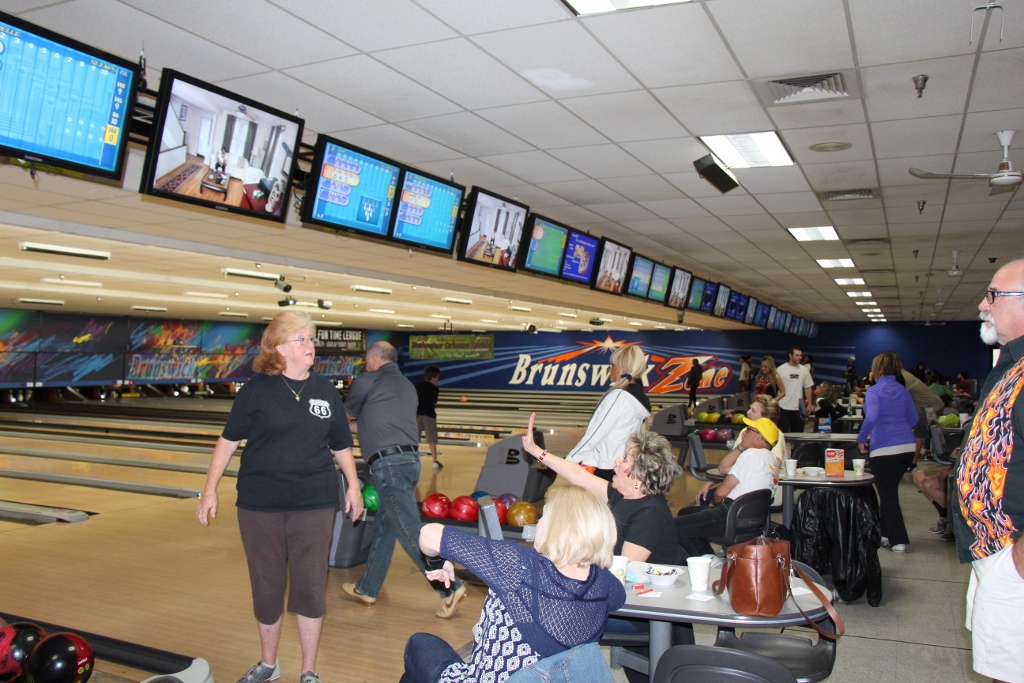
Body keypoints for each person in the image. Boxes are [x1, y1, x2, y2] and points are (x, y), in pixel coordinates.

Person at [196, 310, 363, 683]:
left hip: (315, 503)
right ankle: (269, 664)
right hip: (260, 504)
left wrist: (353, 484)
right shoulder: (256, 390)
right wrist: (209, 490)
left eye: (311, 338)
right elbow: (227, 441)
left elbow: (341, 444)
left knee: (309, 585)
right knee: (266, 585)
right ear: (278, 348)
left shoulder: (326, 391)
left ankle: (309, 670)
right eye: (301, 339)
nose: (310, 346)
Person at [399, 485, 625, 683]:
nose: (538, 522)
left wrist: (435, 563)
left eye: (544, 516)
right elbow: (619, 598)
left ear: (559, 527)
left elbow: (429, 534)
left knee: (420, 644)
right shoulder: (602, 581)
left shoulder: (521, 566)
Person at [340, 342, 467, 618]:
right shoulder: (407, 387)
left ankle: (449, 587)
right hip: (411, 462)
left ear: (373, 359)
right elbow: (372, 423)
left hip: (388, 465)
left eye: (366, 360)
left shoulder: (367, 381)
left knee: (410, 531)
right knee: (387, 529)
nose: (365, 364)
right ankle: (368, 588)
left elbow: (343, 417)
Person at [954, 257, 1024, 683]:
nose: (983, 303)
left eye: (994, 295)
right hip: (995, 550)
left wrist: (1017, 557)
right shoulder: (1012, 365)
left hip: (1013, 554)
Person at [525, 413, 682, 564]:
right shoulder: (624, 496)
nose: (617, 460)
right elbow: (577, 474)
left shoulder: (651, 514)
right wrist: (534, 450)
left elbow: (625, 566)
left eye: (626, 459)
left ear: (639, 476)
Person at [675, 417, 779, 558]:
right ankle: (708, 557)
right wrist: (741, 446)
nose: (744, 433)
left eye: (749, 430)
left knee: (672, 527)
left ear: (759, 437)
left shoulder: (752, 454)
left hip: (728, 517)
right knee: (686, 513)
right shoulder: (771, 459)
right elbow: (723, 468)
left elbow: (721, 493)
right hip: (750, 522)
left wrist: (714, 504)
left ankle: (705, 562)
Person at [858, 351, 918, 553]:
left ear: (879, 369)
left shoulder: (874, 392)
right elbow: (914, 420)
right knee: (888, 492)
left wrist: (861, 438)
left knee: (888, 494)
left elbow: (871, 417)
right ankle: (884, 534)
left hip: (884, 449)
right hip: (907, 448)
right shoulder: (904, 391)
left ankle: (898, 539)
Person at [566, 345, 651, 482]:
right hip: (623, 465)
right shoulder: (639, 397)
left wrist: (570, 461)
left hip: (604, 467)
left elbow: (595, 434)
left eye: (612, 365)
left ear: (623, 368)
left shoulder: (619, 397)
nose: (610, 369)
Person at [693, 395, 788, 507]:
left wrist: (736, 468)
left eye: (753, 410)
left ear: (767, 417)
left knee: (706, 503)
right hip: (744, 490)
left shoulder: (772, 436)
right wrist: (709, 483)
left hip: (758, 497)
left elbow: (774, 462)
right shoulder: (747, 432)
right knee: (704, 497)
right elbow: (727, 466)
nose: (748, 412)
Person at [777, 347, 813, 433]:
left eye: (800, 355)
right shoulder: (780, 369)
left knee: (797, 434)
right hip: (783, 406)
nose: (799, 357)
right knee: (782, 434)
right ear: (790, 355)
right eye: (797, 355)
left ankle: (795, 447)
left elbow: (808, 387)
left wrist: (809, 404)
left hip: (798, 408)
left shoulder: (804, 370)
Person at [414, 365, 442, 469]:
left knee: (415, 438)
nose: (437, 380)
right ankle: (434, 461)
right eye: (437, 377)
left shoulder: (416, 386)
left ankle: (414, 460)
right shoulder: (434, 389)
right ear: (433, 377)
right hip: (429, 415)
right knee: (431, 438)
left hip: (416, 414)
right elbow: (434, 403)